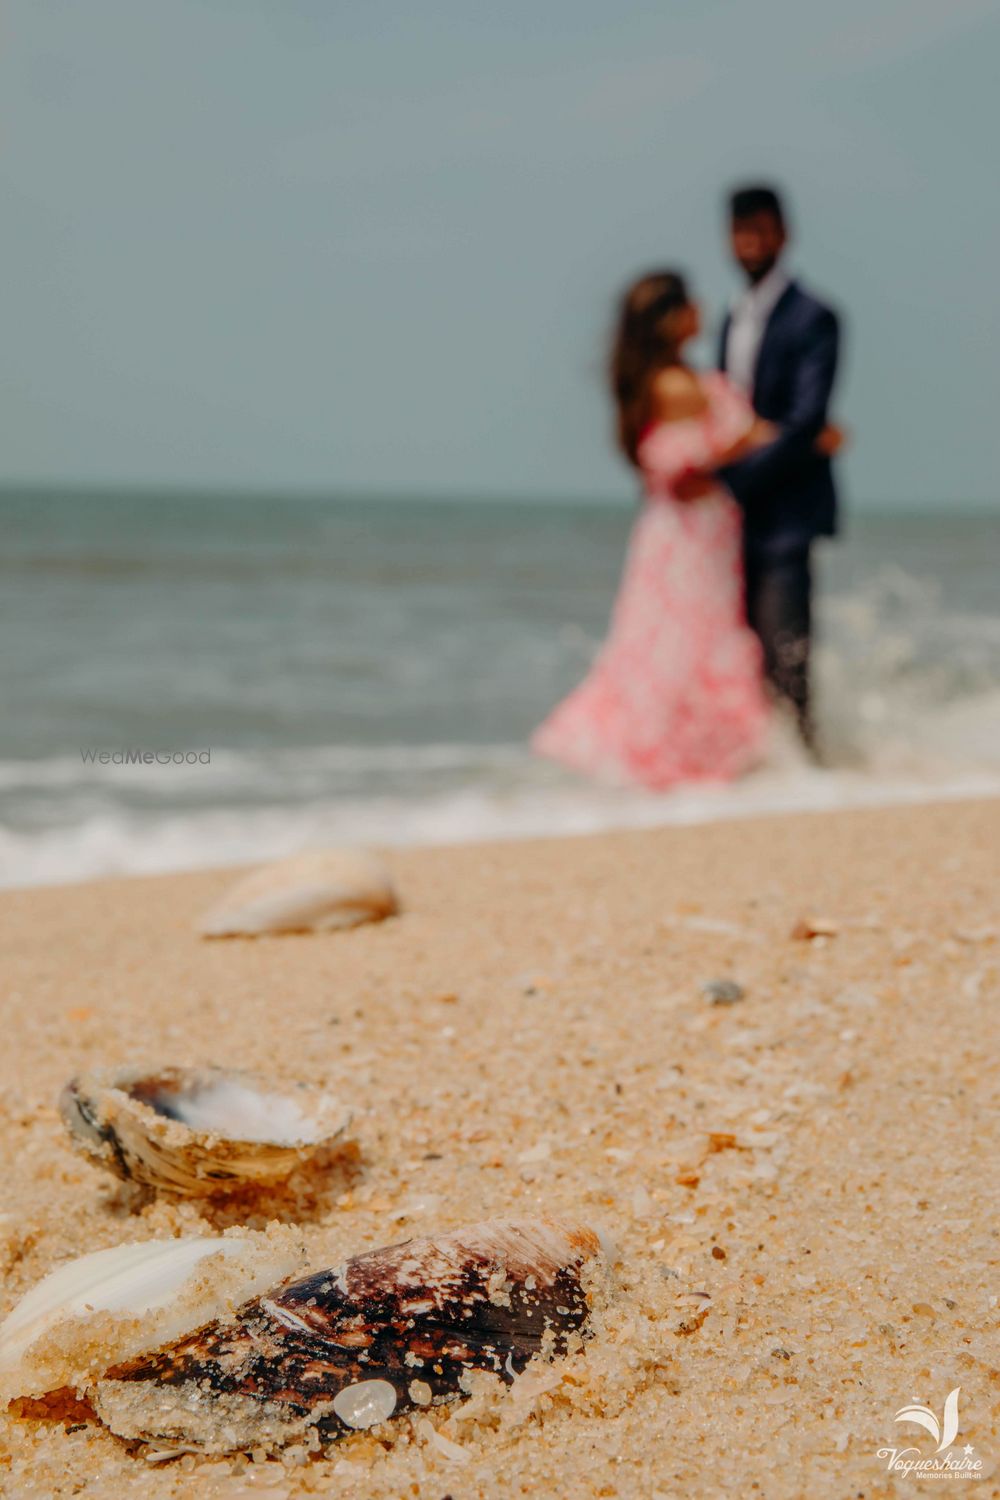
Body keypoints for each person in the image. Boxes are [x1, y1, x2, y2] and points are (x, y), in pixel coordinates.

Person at [533, 271, 837, 790]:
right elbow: (726, 444)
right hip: (692, 534)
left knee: (675, 639)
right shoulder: (677, 385)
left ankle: (700, 756)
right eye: (689, 304)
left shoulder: (667, 379)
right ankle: (692, 759)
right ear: (671, 319)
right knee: (691, 638)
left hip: (687, 529)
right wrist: (803, 439)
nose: (700, 309)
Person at [714, 184, 843, 752]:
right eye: (741, 233)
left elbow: (804, 421)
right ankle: (757, 766)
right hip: (729, 522)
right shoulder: (730, 318)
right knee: (738, 657)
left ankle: (805, 775)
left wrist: (727, 478)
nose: (750, 244)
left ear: (783, 234)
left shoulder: (815, 317)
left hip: (786, 514)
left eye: (760, 231)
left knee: (786, 655)